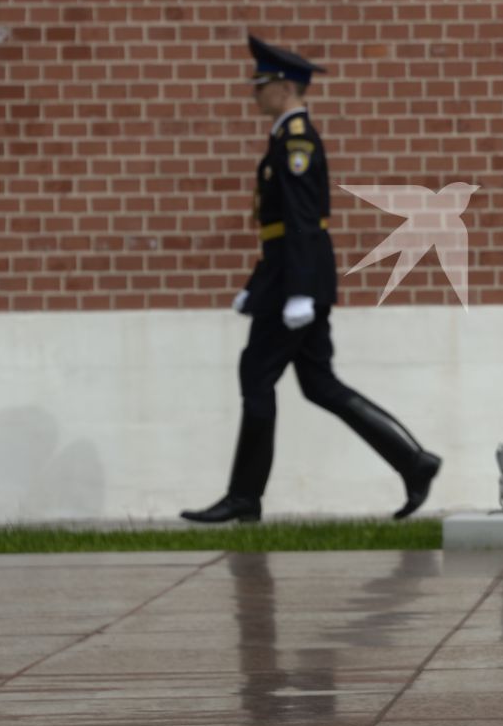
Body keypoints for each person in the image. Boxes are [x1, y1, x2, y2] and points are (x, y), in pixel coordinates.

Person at [182, 34, 442, 524]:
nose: (253, 93)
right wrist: (256, 282)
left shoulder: (295, 141)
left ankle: (244, 497)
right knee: (319, 385)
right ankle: (414, 462)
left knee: (256, 377)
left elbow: (303, 221)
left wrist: (296, 291)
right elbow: (281, 228)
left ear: (283, 87)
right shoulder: (285, 138)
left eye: (260, 84)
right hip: (287, 279)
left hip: (295, 286)